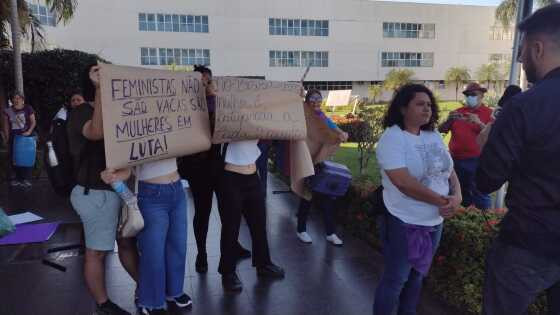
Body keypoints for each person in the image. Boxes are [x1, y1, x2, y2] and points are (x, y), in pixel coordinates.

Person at [476, 4, 560, 314]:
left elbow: (487, 180)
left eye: (522, 50)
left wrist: (487, 143)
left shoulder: (525, 107)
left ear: (538, 48)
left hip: (528, 242)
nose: (520, 59)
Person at [373, 84, 461, 315]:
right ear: (403, 108)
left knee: (417, 277)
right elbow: (402, 182)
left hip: (434, 222)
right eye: (420, 104)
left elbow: (449, 170)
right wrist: (442, 201)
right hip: (405, 221)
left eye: (429, 105)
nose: (427, 109)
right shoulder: (392, 138)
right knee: (397, 279)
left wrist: (457, 196)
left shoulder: (432, 135)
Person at [67, 64, 139, 315]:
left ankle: (145, 289)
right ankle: (103, 305)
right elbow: (95, 133)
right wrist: (100, 90)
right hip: (94, 194)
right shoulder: (80, 112)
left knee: (127, 244)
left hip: (114, 191)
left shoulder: (112, 111)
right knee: (96, 252)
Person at [177, 65, 250, 274]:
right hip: (198, 168)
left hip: (221, 165)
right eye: (200, 81)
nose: (205, 84)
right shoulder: (185, 105)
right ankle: (201, 253)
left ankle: (233, 245)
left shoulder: (220, 103)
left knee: (229, 209)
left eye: (208, 80)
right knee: (202, 211)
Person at [216, 138, 285, 292]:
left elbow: (267, 135)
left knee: (259, 224)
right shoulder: (226, 113)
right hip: (230, 176)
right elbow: (215, 135)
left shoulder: (258, 114)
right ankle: (228, 273)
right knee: (231, 227)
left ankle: (263, 264)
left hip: (252, 175)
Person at [296, 89, 348, 245]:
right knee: (307, 195)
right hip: (305, 161)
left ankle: (330, 232)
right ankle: (301, 229)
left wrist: (341, 133)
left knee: (327, 195)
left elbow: (332, 126)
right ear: (307, 101)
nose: (316, 101)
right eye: (312, 98)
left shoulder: (321, 116)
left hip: (319, 162)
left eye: (319, 98)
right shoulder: (302, 115)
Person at [438, 82, 493, 210]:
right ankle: (461, 218)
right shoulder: (458, 112)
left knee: (480, 193)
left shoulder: (489, 113)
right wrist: (448, 120)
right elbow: (441, 130)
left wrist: (479, 123)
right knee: (458, 193)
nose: (469, 97)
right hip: (455, 160)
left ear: (481, 95)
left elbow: (494, 138)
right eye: (467, 94)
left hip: (477, 160)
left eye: (473, 94)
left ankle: (485, 221)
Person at [2, 92, 36, 189]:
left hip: (26, 137)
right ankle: (17, 178)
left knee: (26, 158)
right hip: (14, 137)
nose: (16, 100)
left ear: (22, 99)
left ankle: (26, 179)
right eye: (14, 98)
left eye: (18, 98)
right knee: (15, 158)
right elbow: (6, 125)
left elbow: (33, 122)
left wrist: (29, 132)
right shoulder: (8, 111)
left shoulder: (28, 108)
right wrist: (7, 137)